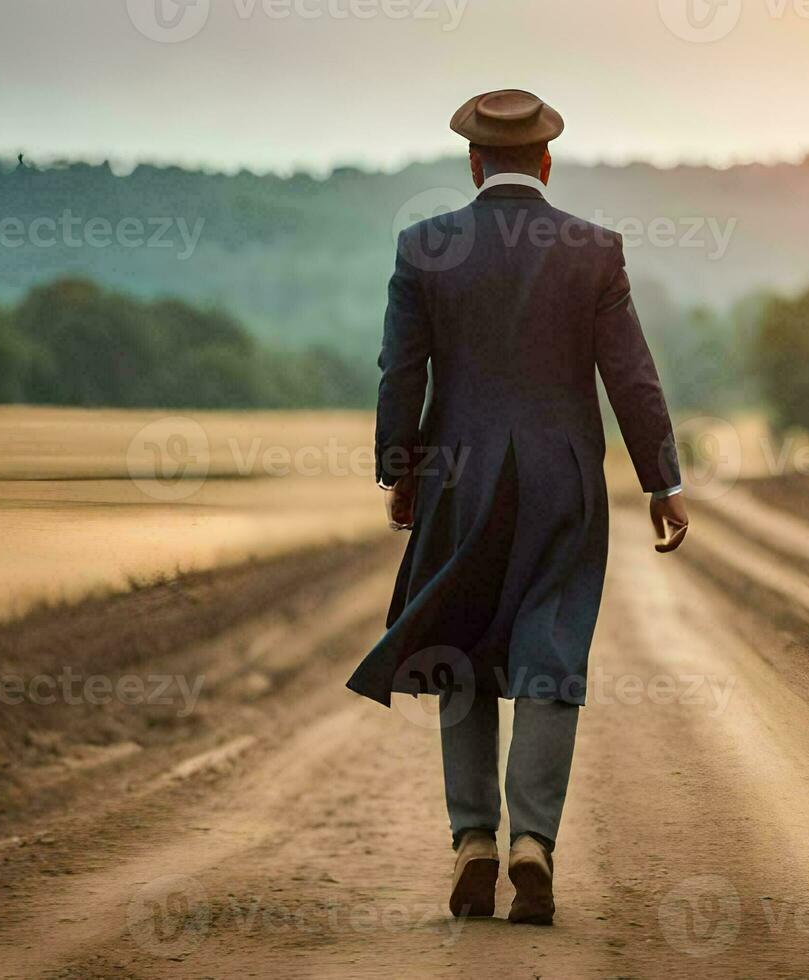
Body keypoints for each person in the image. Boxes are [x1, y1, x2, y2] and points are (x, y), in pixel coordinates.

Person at [346, 89, 688, 926]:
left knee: (456, 644)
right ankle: (533, 840)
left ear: (472, 163)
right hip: (563, 482)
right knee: (551, 648)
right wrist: (662, 481)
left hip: (459, 479)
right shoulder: (593, 250)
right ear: (544, 162)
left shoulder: (424, 246)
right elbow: (630, 376)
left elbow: (402, 371)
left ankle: (473, 842)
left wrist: (401, 471)